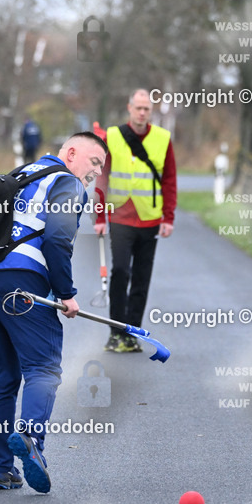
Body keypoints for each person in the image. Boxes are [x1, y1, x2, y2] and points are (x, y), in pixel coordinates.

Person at [0, 132, 108, 492]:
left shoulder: (15, 176)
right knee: (43, 367)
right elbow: (57, 238)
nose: (96, 173)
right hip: (22, 285)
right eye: (94, 162)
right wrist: (67, 293)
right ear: (71, 153)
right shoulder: (67, 183)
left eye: (101, 168)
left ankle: (2, 469)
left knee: (1, 375)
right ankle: (31, 438)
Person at [93, 89, 177, 352]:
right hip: (119, 217)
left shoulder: (162, 139)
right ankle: (115, 332)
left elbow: (169, 180)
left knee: (141, 279)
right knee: (120, 272)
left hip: (149, 219)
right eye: (138, 108)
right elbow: (102, 177)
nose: (142, 113)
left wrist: (168, 217)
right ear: (129, 108)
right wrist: (100, 216)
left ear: (151, 112)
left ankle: (131, 334)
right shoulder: (113, 136)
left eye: (146, 109)